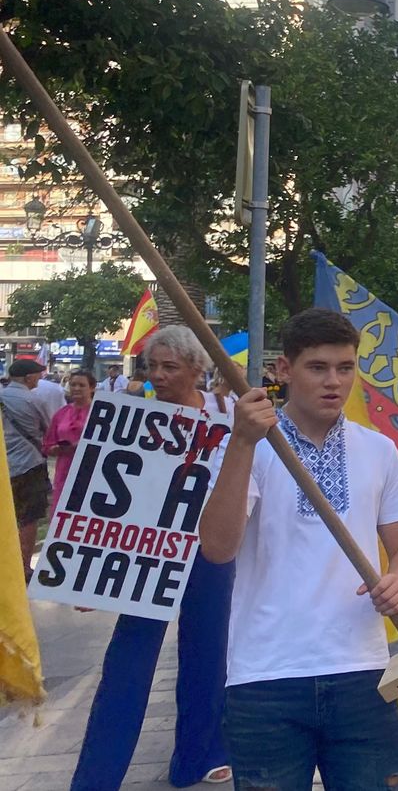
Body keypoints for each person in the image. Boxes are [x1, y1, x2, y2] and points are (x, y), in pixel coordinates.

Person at [199, 308, 398, 790]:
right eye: (317, 367)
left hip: (363, 673)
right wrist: (240, 442)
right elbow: (217, 548)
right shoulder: (247, 446)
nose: (334, 382)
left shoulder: (378, 449)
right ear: (284, 370)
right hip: (266, 676)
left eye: (346, 368)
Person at [71, 328, 233, 789]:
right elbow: (101, 495)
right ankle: (96, 777)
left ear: (196, 369)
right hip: (151, 552)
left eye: (169, 367)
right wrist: (89, 572)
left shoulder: (229, 411)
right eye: (152, 366)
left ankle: (198, 757)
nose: (158, 376)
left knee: (208, 656)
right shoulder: (132, 417)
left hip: (210, 550)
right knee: (128, 662)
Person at [1, 360, 50, 576]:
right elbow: (48, 428)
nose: (39, 379)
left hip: (5, 466)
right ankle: (21, 567)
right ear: (29, 378)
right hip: (30, 465)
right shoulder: (33, 400)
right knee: (29, 518)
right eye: (38, 376)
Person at [42, 369, 94, 512]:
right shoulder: (61, 413)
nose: (76, 388)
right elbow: (47, 445)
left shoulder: (99, 413)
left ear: (92, 388)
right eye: (73, 384)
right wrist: (57, 449)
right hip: (64, 471)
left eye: (82, 385)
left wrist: (82, 444)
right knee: (61, 512)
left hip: (91, 471)